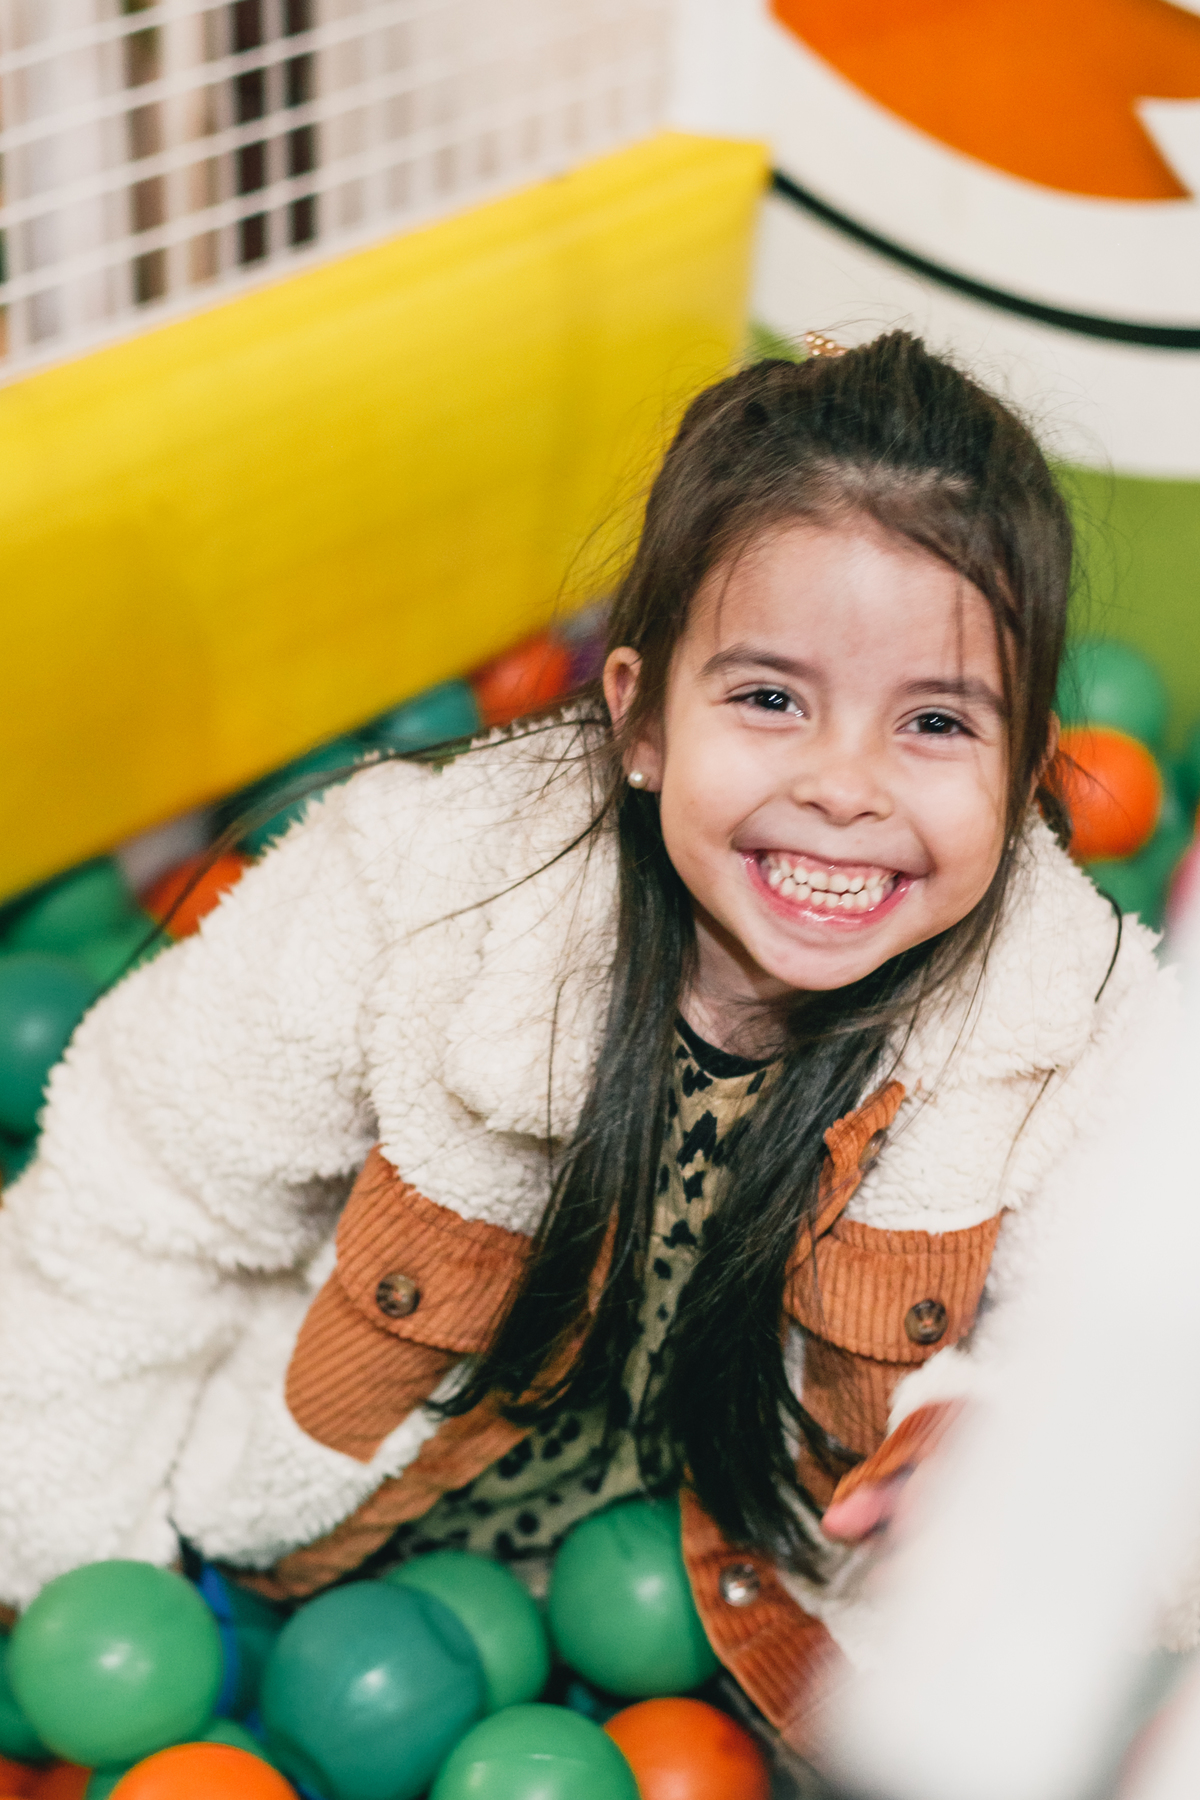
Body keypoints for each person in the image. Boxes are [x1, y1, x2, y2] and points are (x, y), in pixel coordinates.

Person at [0, 331, 1174, 1751]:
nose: (845, 787)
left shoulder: (1075, 1028)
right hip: (339, 1542)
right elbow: (137, 1188)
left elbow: (1146, 1349)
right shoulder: (418, 895)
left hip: (759, 1597)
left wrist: (1007, 1445)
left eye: (934, 721)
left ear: (1031, 767)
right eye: (770, 699)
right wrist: (75, 1563)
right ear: (640, 719)